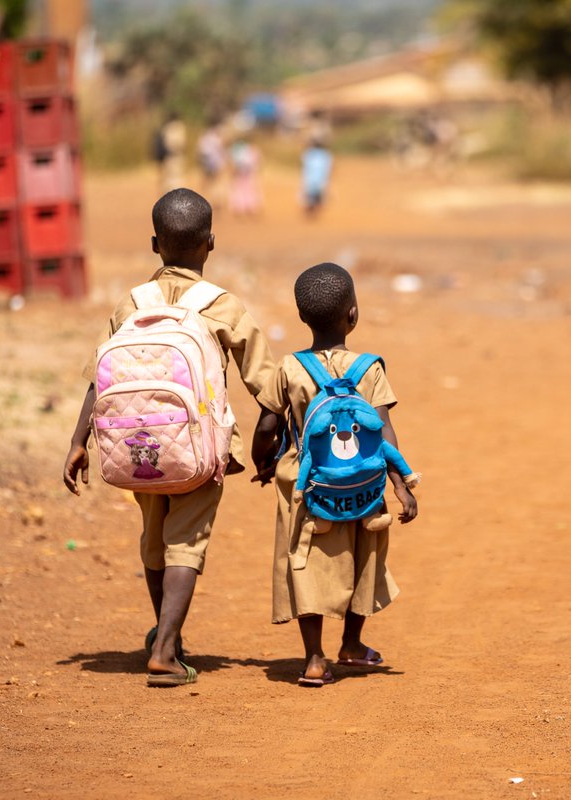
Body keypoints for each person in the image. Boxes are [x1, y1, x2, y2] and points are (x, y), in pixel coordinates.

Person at [63, 188, 275, 687]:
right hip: (197, 449)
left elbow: (102, 379)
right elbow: (265, 383)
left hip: (134, 446)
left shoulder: (131, 303)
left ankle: (167, 636)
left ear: (155, 244)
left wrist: (79, 441)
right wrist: (271, 440)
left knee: (155, 540)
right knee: (187, 542)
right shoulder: (222, 306)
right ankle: (164, 650)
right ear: (211, 243)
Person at [251, 263, 419, 687]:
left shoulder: (289, 368)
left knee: (304, 560)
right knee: (365, 556)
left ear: (302, 318)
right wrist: (401, 485)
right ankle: (353, 644)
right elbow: (383, 430)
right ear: (354, 314)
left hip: (306, 483)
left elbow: (267, 426)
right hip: (363, 483)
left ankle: (313, 658)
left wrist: (263, 463)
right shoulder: (369, 368)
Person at [228, 137, 262, 217]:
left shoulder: (240, 150)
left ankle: (243, 207)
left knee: (243, 189)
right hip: (245, 173)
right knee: (247, 189)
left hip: (244, 173)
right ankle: (244, 207)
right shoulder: (248, 150)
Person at [300, 137, 333, 219]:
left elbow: (304, 166)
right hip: (319, 179)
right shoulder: (325, 155)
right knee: (316, 196)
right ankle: (313, 209)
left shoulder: (309, 154)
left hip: (311, 178)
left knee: (312, 196)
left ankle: (312, 209)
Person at [155, 113, 188, 193]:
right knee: (176, 179)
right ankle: (176, 196)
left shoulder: (166, 127)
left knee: (168, 179)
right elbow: (181, 143)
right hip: (176, 156)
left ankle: (168, 196)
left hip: (168, 157)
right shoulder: (179, 127)